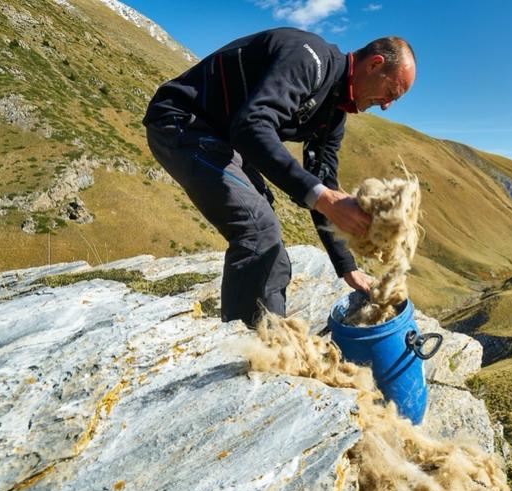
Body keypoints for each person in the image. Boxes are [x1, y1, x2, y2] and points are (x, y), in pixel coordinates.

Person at [143, 28, 416, 326]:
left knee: (272, 252)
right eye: (391, 93)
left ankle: (268, 343)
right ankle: (251, 352)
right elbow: (252, 126)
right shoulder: (309, 57)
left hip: (223, 140)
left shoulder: (333, 115)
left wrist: (347, 267)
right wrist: (324, 198)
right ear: (375, 64)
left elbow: (323, 184)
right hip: (183, 122)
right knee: (259, 232)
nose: (387, 105)